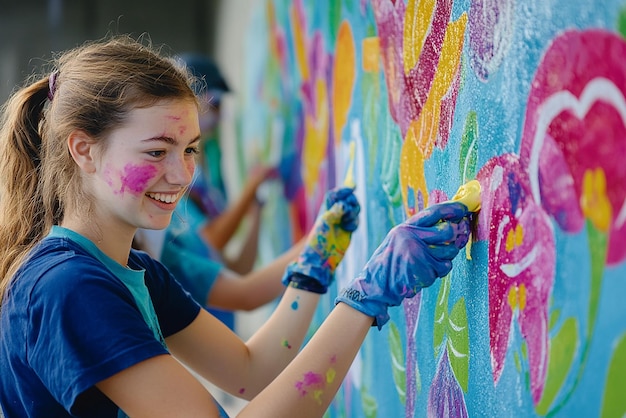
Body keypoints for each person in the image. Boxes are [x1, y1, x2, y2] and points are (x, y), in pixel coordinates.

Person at [0, 35, 474, 417]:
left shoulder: (133, 270)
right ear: (82, 149)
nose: (182, 174)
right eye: (156, 151)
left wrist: (319, 259)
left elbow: (252, 371)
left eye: (189, 149)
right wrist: (368, 298)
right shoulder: (68, 287)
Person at [134, 53, 287, 330]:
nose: (218, 115)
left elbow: (236, 270)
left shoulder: (208, 171)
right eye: (214, 104)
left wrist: (254, 213)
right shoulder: (167, 191)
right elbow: (213, 242)